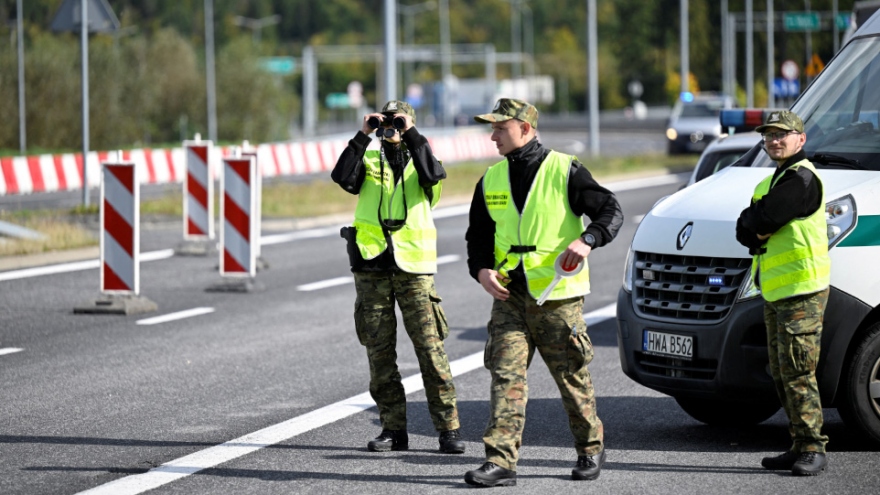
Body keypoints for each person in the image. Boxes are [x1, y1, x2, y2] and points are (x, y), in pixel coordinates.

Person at [463, 98, 623, 487]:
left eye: (501, 128)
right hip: (510, 296)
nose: (493, 135)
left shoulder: (564, 169)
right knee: (505, 376)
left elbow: (610, 210)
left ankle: (589, 448)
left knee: (570, 376)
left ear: (526, 128)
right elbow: (478, 238)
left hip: (556, 295)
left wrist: (587, 240)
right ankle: (500, 462)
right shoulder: (491, 178)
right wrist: (481, 271)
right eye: (493, 128)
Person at [331, 100, 465, 455]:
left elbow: (433, 178)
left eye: (397, 122)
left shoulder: (423, 160)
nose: (390, 127)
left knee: (430, 351)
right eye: (386, 121)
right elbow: (342, 177)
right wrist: (363, 136)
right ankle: (393, 430)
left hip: (414, 269)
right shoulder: (370, 157)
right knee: (379, 354)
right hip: (372, 265)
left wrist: (411, 134)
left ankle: (448, 430)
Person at [736, 110, 831, 476]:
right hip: (778, 291)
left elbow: (762, 219)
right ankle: (798, 444)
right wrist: (755, 225)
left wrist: (756, 224)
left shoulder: (802, 179)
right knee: (781, 372)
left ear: (800, 139)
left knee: (797, 371)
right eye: (769, 135)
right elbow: (746, 228)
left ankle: (813, 447)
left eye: (782, 134)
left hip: (802, 291)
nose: (774, 140)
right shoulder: (773, 180)